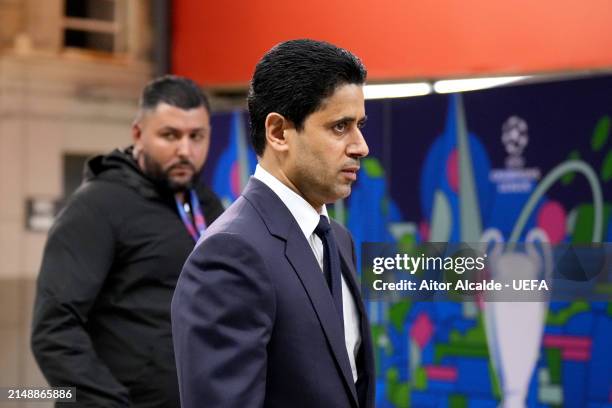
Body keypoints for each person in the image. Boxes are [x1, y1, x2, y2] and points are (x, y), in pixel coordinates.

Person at [172, 39, 375, 408]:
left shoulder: (338, 241)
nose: (360, 146)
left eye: (359, 125)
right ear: (279, 132)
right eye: (340, 127)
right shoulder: (231, 253)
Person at [31, 75, 224, 407]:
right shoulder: (97, 206)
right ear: (138, 134)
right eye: (170, 135)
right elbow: (54, 331)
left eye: (197, 136)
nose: (185, 150)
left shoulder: (207, 205)